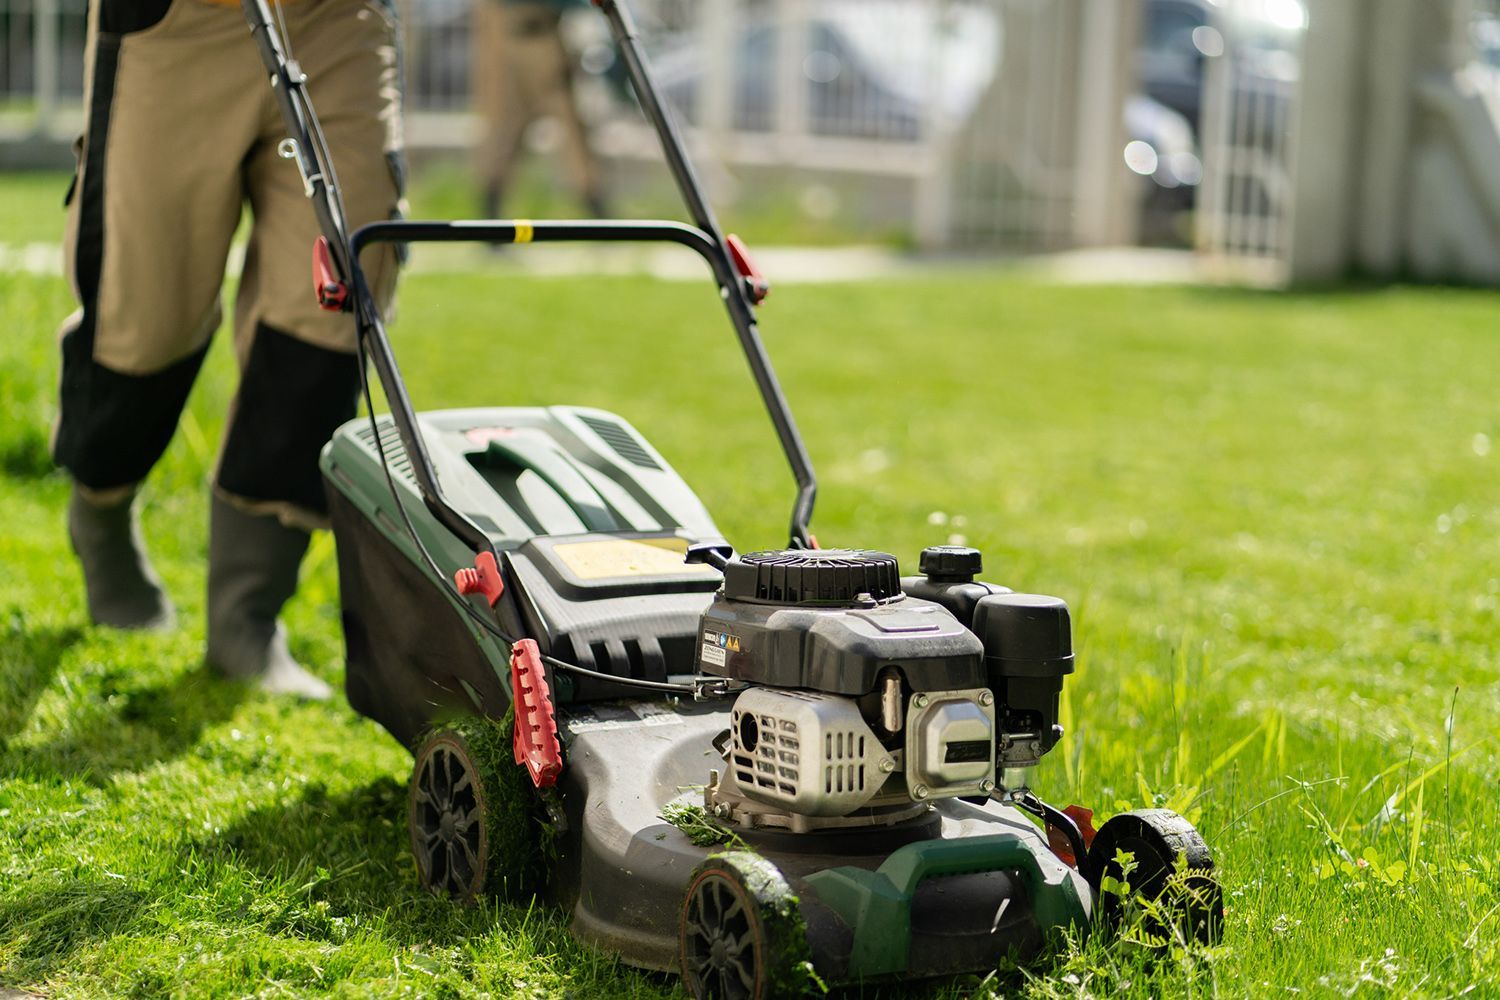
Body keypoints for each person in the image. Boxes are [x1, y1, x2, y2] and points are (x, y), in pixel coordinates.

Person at [54, 0, 404, 699]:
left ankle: (248, 613)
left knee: (330, 303)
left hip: (337, 23)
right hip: (177, 24)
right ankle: (102, 507)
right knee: (143, 313)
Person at [471, 0, 608, 218]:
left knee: (573, 129)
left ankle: (602, 219)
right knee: (504, 132)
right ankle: (490, 221)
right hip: (510, 34)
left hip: (541, 35)